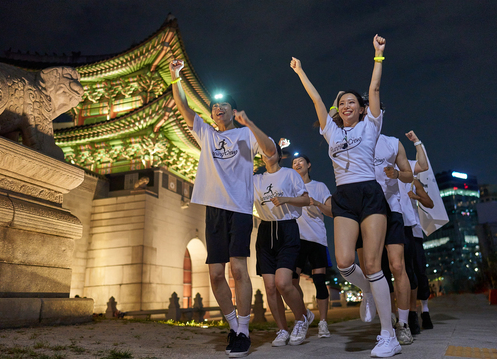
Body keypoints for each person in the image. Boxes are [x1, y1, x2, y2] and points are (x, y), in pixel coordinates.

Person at [291, 35, 402, 357]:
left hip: (369, 192)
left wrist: (378, 55)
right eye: (342, 103)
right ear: (338, 111)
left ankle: (388, 335)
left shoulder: (371, 126)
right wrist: (300, 72)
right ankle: (369, 290)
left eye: (351, 102)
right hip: (344, 196)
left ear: (361, 108)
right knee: (343, 262)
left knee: (371, 262)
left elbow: (375, 90)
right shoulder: (332, 132)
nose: (346, 105)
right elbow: (315, 100)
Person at [169, 59, 276, 358]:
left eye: (224, 105)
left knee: (239, 269)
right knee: (216, 274)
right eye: (215, 106)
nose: (219, 109)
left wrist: (250, 124)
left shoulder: (244, 134)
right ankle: (233, 325)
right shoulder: (207, 134)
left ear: (233, 110)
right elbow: (184, 109)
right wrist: (176, 78)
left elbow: (270, 151)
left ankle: (244, 329)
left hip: (240, 208)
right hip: (213, 208)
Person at [357, 133, 415, 345]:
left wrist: (398, 173)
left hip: (392, 209)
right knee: (372, 268)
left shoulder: (392, 143)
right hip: (365, 211)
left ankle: (404, 323)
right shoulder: (353, 139)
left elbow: (410, 175)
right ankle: (387, 318)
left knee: (397, 266)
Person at [253, 143, 311, 347]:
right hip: (265, 231)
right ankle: (282, 330)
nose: (266, 155)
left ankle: (302, 318)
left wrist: (286, 199)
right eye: (263, 152)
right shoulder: (256, 180)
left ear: (278, 155)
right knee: (269, 287)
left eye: (270, 151)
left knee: (283, 283)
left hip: (287, 229)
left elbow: (306, 201)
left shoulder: (289, 174)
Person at [291, 154, 333, 338]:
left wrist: (315, 202)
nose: (297, 164)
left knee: (319, 281)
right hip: (296, 239)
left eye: (300, 161)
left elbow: (331, 212)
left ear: (309, 165)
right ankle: (305, 313)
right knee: (292, 280)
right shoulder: (289, 187)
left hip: (317, 238)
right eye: (293, 162)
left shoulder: (320, 186)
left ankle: (323, 323)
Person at [398, 130, 434, 333]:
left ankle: (425, 311)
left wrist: (416, 141)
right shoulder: (384, 169)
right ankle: (409, 315)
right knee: (404, 271)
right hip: (396, 227)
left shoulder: (411, 175)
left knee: (419, 272)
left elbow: (428, 202)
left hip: (413, 229)